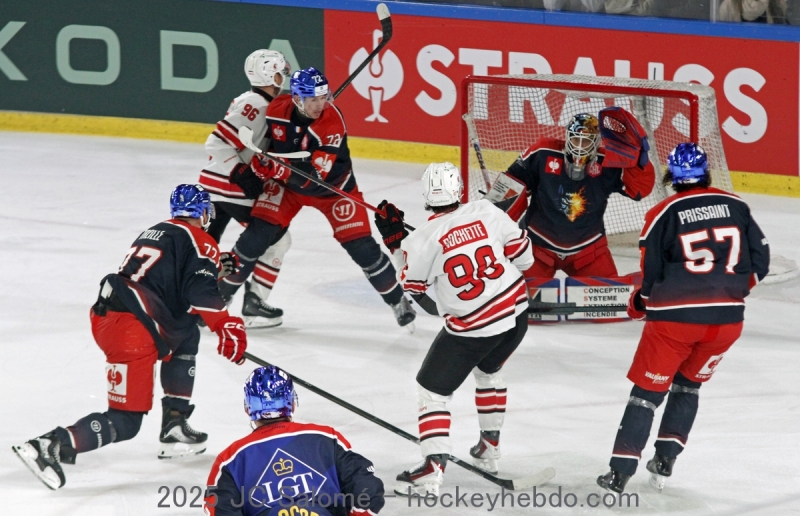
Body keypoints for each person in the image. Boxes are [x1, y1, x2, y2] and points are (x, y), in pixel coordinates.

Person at [12, 184, 250, 490]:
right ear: (204, 213)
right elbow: (198, 290)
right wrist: (225, 324)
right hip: (134, 329)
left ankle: (175, 423)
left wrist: (214, 268)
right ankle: (50, 444)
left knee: (186, 332)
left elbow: (166, 281)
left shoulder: (156, 231)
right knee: (126, 421)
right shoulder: (201, 240)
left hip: (110, 318)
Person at [596, 143, 770, 495]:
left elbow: (651, 273)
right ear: (706, 172)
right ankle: (665, 460)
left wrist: (643, 302)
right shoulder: (737, 205)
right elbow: (761, 262)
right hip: (726, 324)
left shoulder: (665, 211)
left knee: (646, 396)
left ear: (672, 176)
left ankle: (620, 472)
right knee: (689, 386)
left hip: (674, 323)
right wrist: (731, 292)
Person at [373, 162, 534, 496]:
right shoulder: (487, 210)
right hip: (516, 314)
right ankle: (489, 451)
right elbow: (525, 259)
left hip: (474, 327)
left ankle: (431, 472)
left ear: (426, 196)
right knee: (489, 372)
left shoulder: (422, 240)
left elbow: (412, 285)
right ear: (460, 189)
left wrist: (395, 243)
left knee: (431, 391)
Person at [218, 66, 416, 329]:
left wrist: (275, 167)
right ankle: (218, 299)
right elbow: (264, 144)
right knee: (255, 238)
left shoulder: (331, 123)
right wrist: (258, 164)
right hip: (287, 189)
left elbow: (314, 177)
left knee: (362, 248)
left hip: (334, 190)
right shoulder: (277, 109)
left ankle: (397, 300)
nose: (320, 104)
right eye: (313, 99)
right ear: (297, 98)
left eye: (324, 97)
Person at [204, 365, 385, 516]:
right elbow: (367, 486)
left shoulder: (230, 459)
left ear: (247, 408)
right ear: (292, 403)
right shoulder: (326, 438)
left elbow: (218, 509)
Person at [500, 111, 655, 283]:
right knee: (517, 295)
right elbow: (512, 185)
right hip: (536, 247)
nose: (579, 146)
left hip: (588, 251)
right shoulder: (543, 152)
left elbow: (639, 191)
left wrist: (639, 162)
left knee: (608, 299)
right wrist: (493, 217)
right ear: (567, 136)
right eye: (575, 139)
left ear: (596, 142)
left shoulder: (608, 163)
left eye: (586, 141)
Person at [199, 49, 293, 328]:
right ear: (268, 74)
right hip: (228, 187)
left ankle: (197, 302)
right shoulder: (256, 104)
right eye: (278, 72)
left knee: (205, 248)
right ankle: (248, 303)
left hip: (219, 185)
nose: (282, 78)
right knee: (277, 238)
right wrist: (240, 172)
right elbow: (216, 143)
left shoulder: (261, 102)